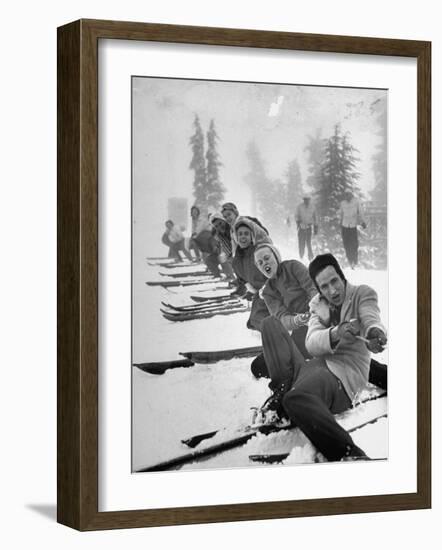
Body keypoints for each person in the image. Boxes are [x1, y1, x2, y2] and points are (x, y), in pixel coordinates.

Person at [259, 253, 387, 461]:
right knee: (269, 324)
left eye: (334, 281)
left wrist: (374, 331)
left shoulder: (362, 294)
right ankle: (281, 391)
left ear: (342, 275)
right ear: (318, 289)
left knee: (296, 399)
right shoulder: (318, 305)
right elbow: (311, 344)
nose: (332, 290)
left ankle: (348, 453)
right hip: (312, 367)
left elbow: (370, 316)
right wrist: (334, 330)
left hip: (340, 377)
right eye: (324, 286)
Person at [250, 243, 318, 377]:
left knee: (325, 347)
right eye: (260, 262)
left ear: (276, 257)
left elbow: (312, 288)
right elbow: (281, 317)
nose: (265, 263)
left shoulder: (293, 267)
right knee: (260, 365)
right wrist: (296, 320)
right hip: (301, 327)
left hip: (320, 315)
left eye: (267, 258)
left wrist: (314, 311)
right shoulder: (268, 292)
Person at [231, 217, 271, 331]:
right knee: (254, 322)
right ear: (236, 237)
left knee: (259, 320)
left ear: (252, 236)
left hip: (272, 292)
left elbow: (274, 274)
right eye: (240, 234)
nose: (243, 237)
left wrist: (266, 290)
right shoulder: (236, 261)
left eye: (246, 234)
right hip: (259, 295)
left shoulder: (260, 253)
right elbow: (242, 279)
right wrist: (249, 289)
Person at [338, 191, 366, 269]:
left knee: (354, 244)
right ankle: (350, 261)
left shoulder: (356, 202)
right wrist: (339, 223)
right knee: (346, 244)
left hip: (353, 226)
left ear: (351, 196)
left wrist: (363, 221)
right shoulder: (343, 203)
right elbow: (341, 214)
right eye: (346, 195)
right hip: (344, 226)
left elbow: (361, 212)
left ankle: (355, 260)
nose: (347, 197)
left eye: (349, 195)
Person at [209, 213, 236, 281]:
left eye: (220, 223)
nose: (219, 227)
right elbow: (225, 246)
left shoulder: (233, 228)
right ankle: (232, 277)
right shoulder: (219, 234)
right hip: (230, 252)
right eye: (216, 226)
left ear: (224, 220)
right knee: (223, 258)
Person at [295, 195, 318, 261]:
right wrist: (298, 221)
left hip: (308, 227)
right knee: (301, 243)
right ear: (303, 200)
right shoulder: (299, 207)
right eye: (305, 199)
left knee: (308, 243)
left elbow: (315, 217)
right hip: (301, 227)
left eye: (308, 199)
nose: (306, 201)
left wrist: (316, 226)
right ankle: (301, 256)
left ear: (309, 200)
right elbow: (296, 215)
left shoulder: (312, 207)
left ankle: (310, 257)